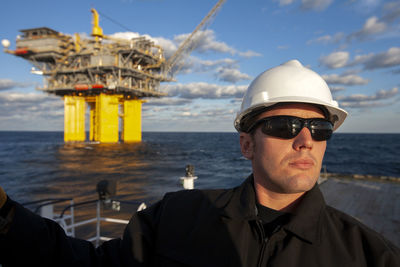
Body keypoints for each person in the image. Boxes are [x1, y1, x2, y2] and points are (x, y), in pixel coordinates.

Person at [0, 60, 399, 266]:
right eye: (284, 125)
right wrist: (5, 217)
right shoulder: (176, 217)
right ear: (246, 143)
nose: (305, 139)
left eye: (320, 128)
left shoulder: (370, 255)